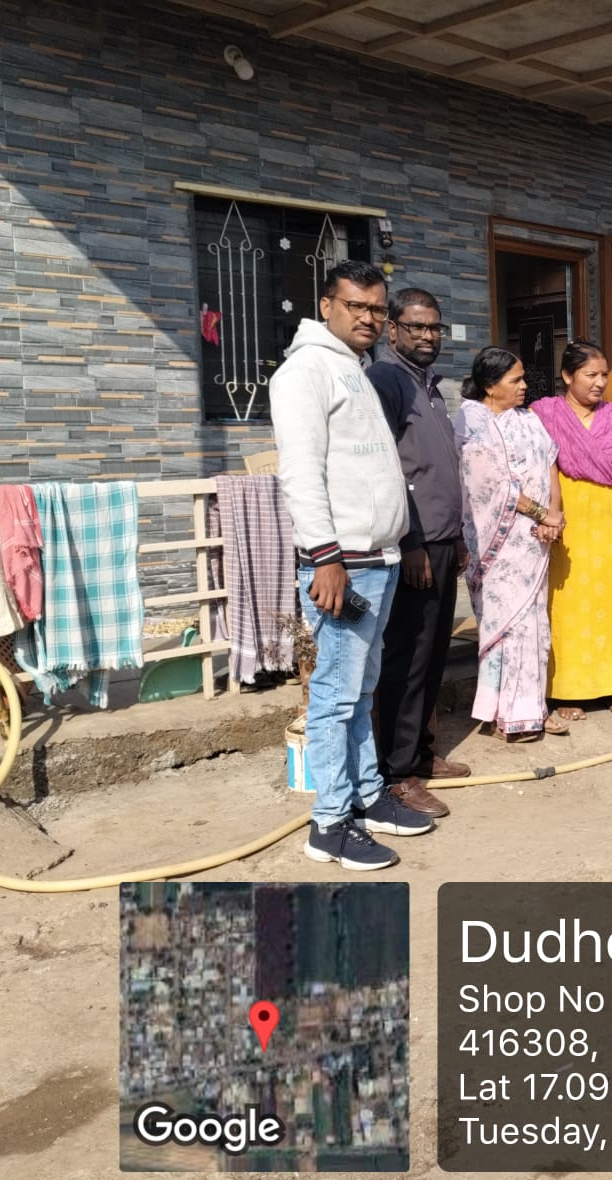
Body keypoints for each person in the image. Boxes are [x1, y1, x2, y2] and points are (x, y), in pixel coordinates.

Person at [272, 260, 434, 871]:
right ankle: (330, 823)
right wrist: (324, 556)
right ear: (326, 305)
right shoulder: (305, 371)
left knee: (362, 692)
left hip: (377, 558)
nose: (368, 317)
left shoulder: (355, 368)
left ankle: (367, 796)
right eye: (355, 306)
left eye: (376, 308)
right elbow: (301, 472)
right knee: (335, 698)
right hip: (343, 563)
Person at [367, 287, 466, 821]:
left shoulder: (431, 387)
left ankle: (423, 754)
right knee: (406, 657)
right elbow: (387, 467)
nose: (428, 336)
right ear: (393, 330)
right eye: (417, 326)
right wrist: (410, 543)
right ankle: (398, 772)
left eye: (434, 327)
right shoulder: (386, 380)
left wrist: (459, 538)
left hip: (444, 540)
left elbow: (439, 469)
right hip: (415, 545)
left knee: (432, 654)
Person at [454, 347, 568, 742]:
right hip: (498, 545)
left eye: (523, 379)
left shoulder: (529, 419)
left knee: (533, 625)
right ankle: (501, 713)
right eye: (515, 380)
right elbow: (490, 485)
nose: (524, 386)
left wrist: (554, 515)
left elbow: (551, 465)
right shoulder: (472, 422)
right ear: (490, 385)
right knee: (506, 626)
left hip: (535, 542)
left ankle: (531, 709)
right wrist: (541, 513)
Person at [531, 340, 612, 718]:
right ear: (567, 376)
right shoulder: (545, 415)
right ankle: (569, 691)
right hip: (569, 524)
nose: (600, 383)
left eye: (604, 375)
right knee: (569, 605)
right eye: (590, 375)